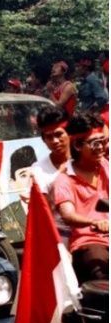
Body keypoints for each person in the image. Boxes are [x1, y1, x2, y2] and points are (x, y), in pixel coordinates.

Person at [51, 114, 109, 282]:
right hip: (88, 242)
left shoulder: (106, 166)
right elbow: (68, 215)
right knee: (101, 272)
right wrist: (94, 223)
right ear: (77, 145)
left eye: (103, 141)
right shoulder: (64, 179)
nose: (101, 148)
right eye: (95, 143)